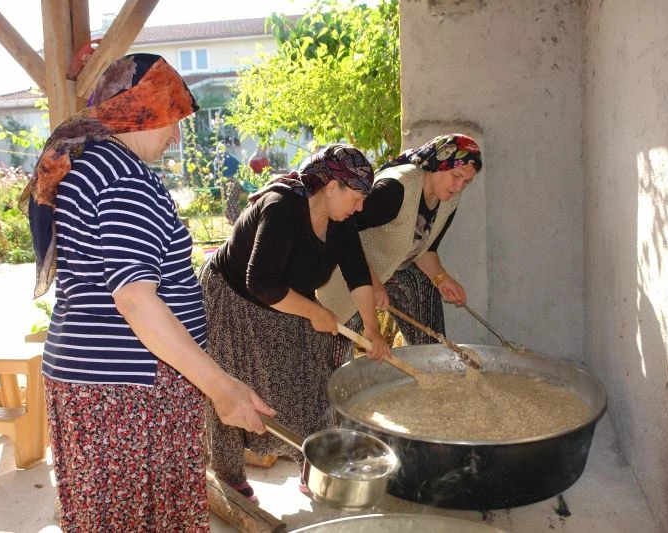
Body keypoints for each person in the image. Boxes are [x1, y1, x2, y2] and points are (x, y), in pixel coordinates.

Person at [19, 53, 275, 531]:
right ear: (140, 110)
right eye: (172, 119)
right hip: (128, 393)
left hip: (103, 382)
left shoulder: (93, 165)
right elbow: (136, 298)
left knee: (112, 517)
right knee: (136, 519)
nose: (176, 136)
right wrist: (220, 387)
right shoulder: (124, 179)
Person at [199, 144, 391, 501]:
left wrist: (371, 329)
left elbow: (357, 274)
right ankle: (228, 473)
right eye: (357, 197)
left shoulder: (341, 220)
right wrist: (316, 312)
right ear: (332, 187)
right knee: (234, 381)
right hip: (234, 296)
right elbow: (261, 282)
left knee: (310, 377)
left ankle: (314, 465)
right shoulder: (282, 208)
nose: (360, 207)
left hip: (287, 299)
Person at [317, 134, 483, 368]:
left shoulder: (448, 200)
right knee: (336, 349)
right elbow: (343, 232)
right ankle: (333, 387)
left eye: (466, 182)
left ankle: (430, 370)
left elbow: (426, 248)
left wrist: (441, 277)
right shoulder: (395, 189)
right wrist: (371, 282)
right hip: (347, 267)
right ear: (437, 165)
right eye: (456, 176)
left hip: (393, 269)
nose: (458, 187)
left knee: (424, 289)